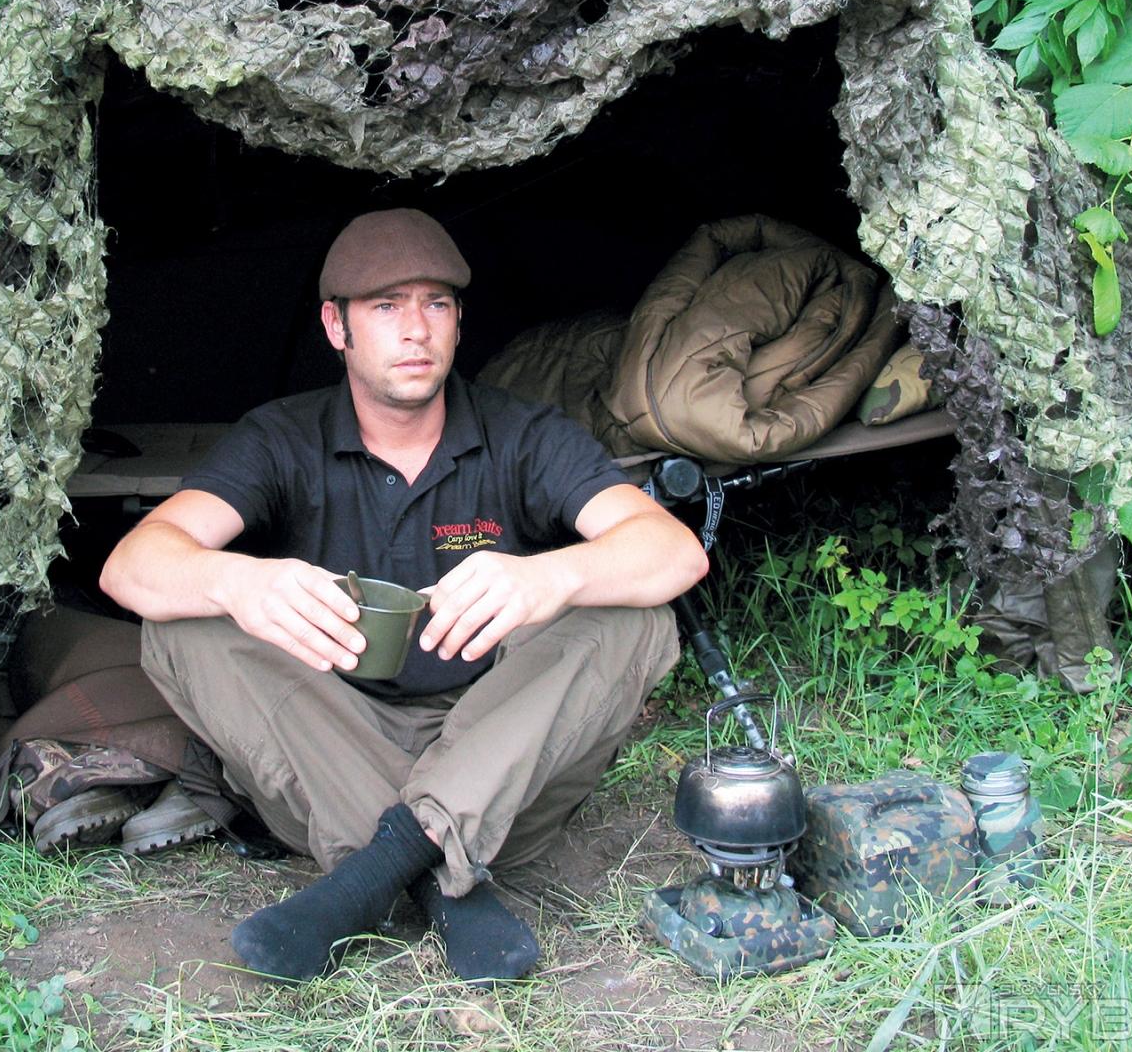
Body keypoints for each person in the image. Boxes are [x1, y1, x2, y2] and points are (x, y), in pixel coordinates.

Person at [99, 208, 708, 985]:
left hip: (503, 753)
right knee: (180, 624)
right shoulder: (282, 436)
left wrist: (549, 576)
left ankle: (381, 867)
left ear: (458, 321)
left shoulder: (521, 432)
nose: (417, 329)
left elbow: (672, 551)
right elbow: (132, 566)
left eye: (437, 304)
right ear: (336, 326)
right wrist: (239, 580)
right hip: (334, 747)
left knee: (633, 617)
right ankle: (437, 865)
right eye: (386, 306)